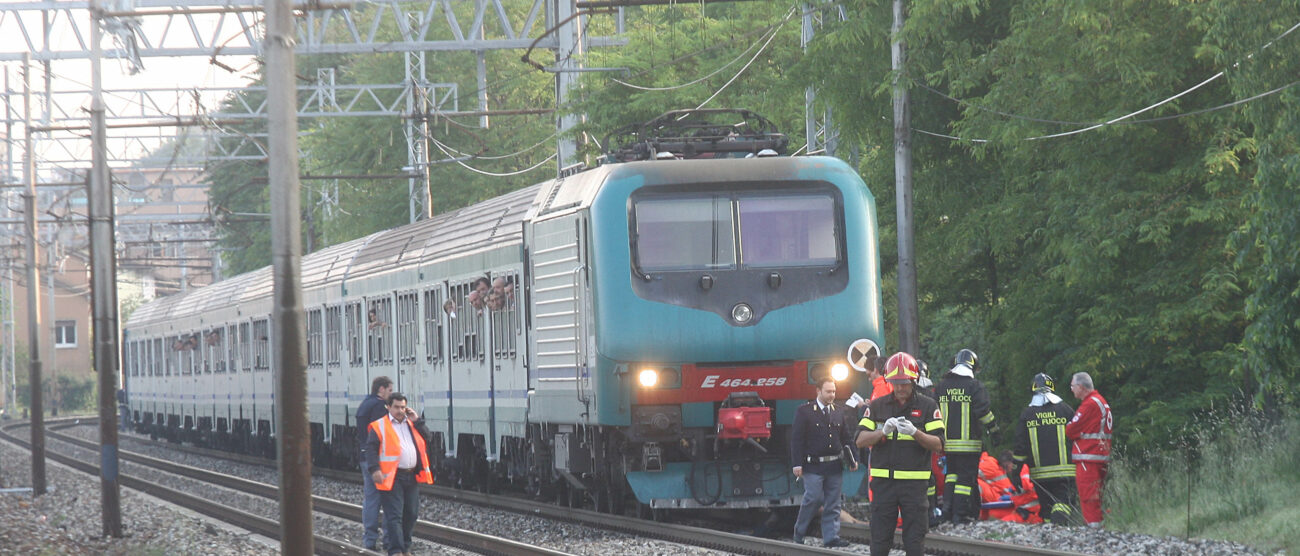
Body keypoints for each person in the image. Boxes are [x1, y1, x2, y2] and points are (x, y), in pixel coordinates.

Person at [855, 352, 945, 556]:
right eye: (896, 383)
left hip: (914, 486)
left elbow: (939, 444)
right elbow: (860, 440)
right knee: (879, 541)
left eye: (905, 383)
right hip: (883, 485)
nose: (901, 388)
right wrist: (882, 432)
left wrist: (915, 433)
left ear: (913, 381)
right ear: (889, 381)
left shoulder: (928, 406)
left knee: (914, 543)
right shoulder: (878, 405)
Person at [364, 393, 434, 556]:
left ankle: (405, 546)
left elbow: (428, 437)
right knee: (394, 515)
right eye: (396, 407)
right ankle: (396, 550)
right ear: (388, 407)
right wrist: (375, 469)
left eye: (403, 407)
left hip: (411, 476)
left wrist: (417, 421)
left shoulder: (412, 424)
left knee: (411, 513)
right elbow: (371, 449)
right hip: (392, 477)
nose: (400, 410)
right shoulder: (380, 425)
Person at [790, 378, 858, 547]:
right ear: (818, 391)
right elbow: (797, 439)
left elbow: (846, 438)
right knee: (812, 498)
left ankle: (831, 537)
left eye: (834, 391)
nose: (831, 395)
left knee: (833, 503)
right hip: (813, 465)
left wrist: (853, 458)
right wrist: (797, 463)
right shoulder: (805, 411)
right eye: (828, 391)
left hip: (834, 465)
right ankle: (799, 532)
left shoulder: (838, 412)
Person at [935, 348, 997, 525]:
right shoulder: (974, 386)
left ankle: (947, 511)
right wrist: (995, 431)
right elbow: (984, 413)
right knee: (965, 478)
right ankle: (960, 515)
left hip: (946, 444)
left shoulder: (941, 386)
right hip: (969, 445)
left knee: (951, 475)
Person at [1013, 373, 1078, 526]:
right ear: (1052, 387)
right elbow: (1078, 435)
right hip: (1065, 473)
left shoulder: (1027, 414)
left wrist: (1016, 472)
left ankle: (1050, 535)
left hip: (1039, 475)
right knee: (1063, 503)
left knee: (1047, 508)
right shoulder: (1065, 410)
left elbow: (1020, 447)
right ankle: (1057, 529)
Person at [1066, 372, 1112, 528]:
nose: (1071, 389)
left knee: (1088, 496)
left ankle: (1094, 530)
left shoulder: (1089, 404)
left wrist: (1077, 432)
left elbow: (1070, 430)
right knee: (1096, 495)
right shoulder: (1100, 401)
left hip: (1089, 456)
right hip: (1099, 456)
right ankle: (1099, 526)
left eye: (1072, 386)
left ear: (1080, 386)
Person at [356, 376, 394, 551]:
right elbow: (383, 434)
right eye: (390, 390)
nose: (391, 394)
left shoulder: (365, 404)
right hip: (378, 460)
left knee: (370, 500)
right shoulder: (380, 407)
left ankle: (369, 541)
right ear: (381, 389)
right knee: (387, 500)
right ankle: (387, 540)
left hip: (364, 457)